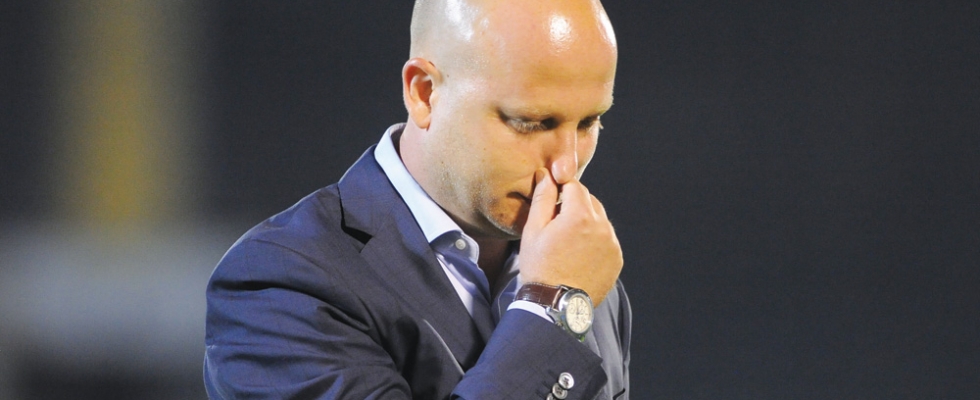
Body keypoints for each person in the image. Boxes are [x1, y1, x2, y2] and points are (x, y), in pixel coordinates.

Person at [204, 0, 630, 398]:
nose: (566, 166)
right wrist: (550, 311)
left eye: (589, 123)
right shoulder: (280, 284)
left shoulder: (580, 274)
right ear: (424, 93)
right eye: (531, 122)